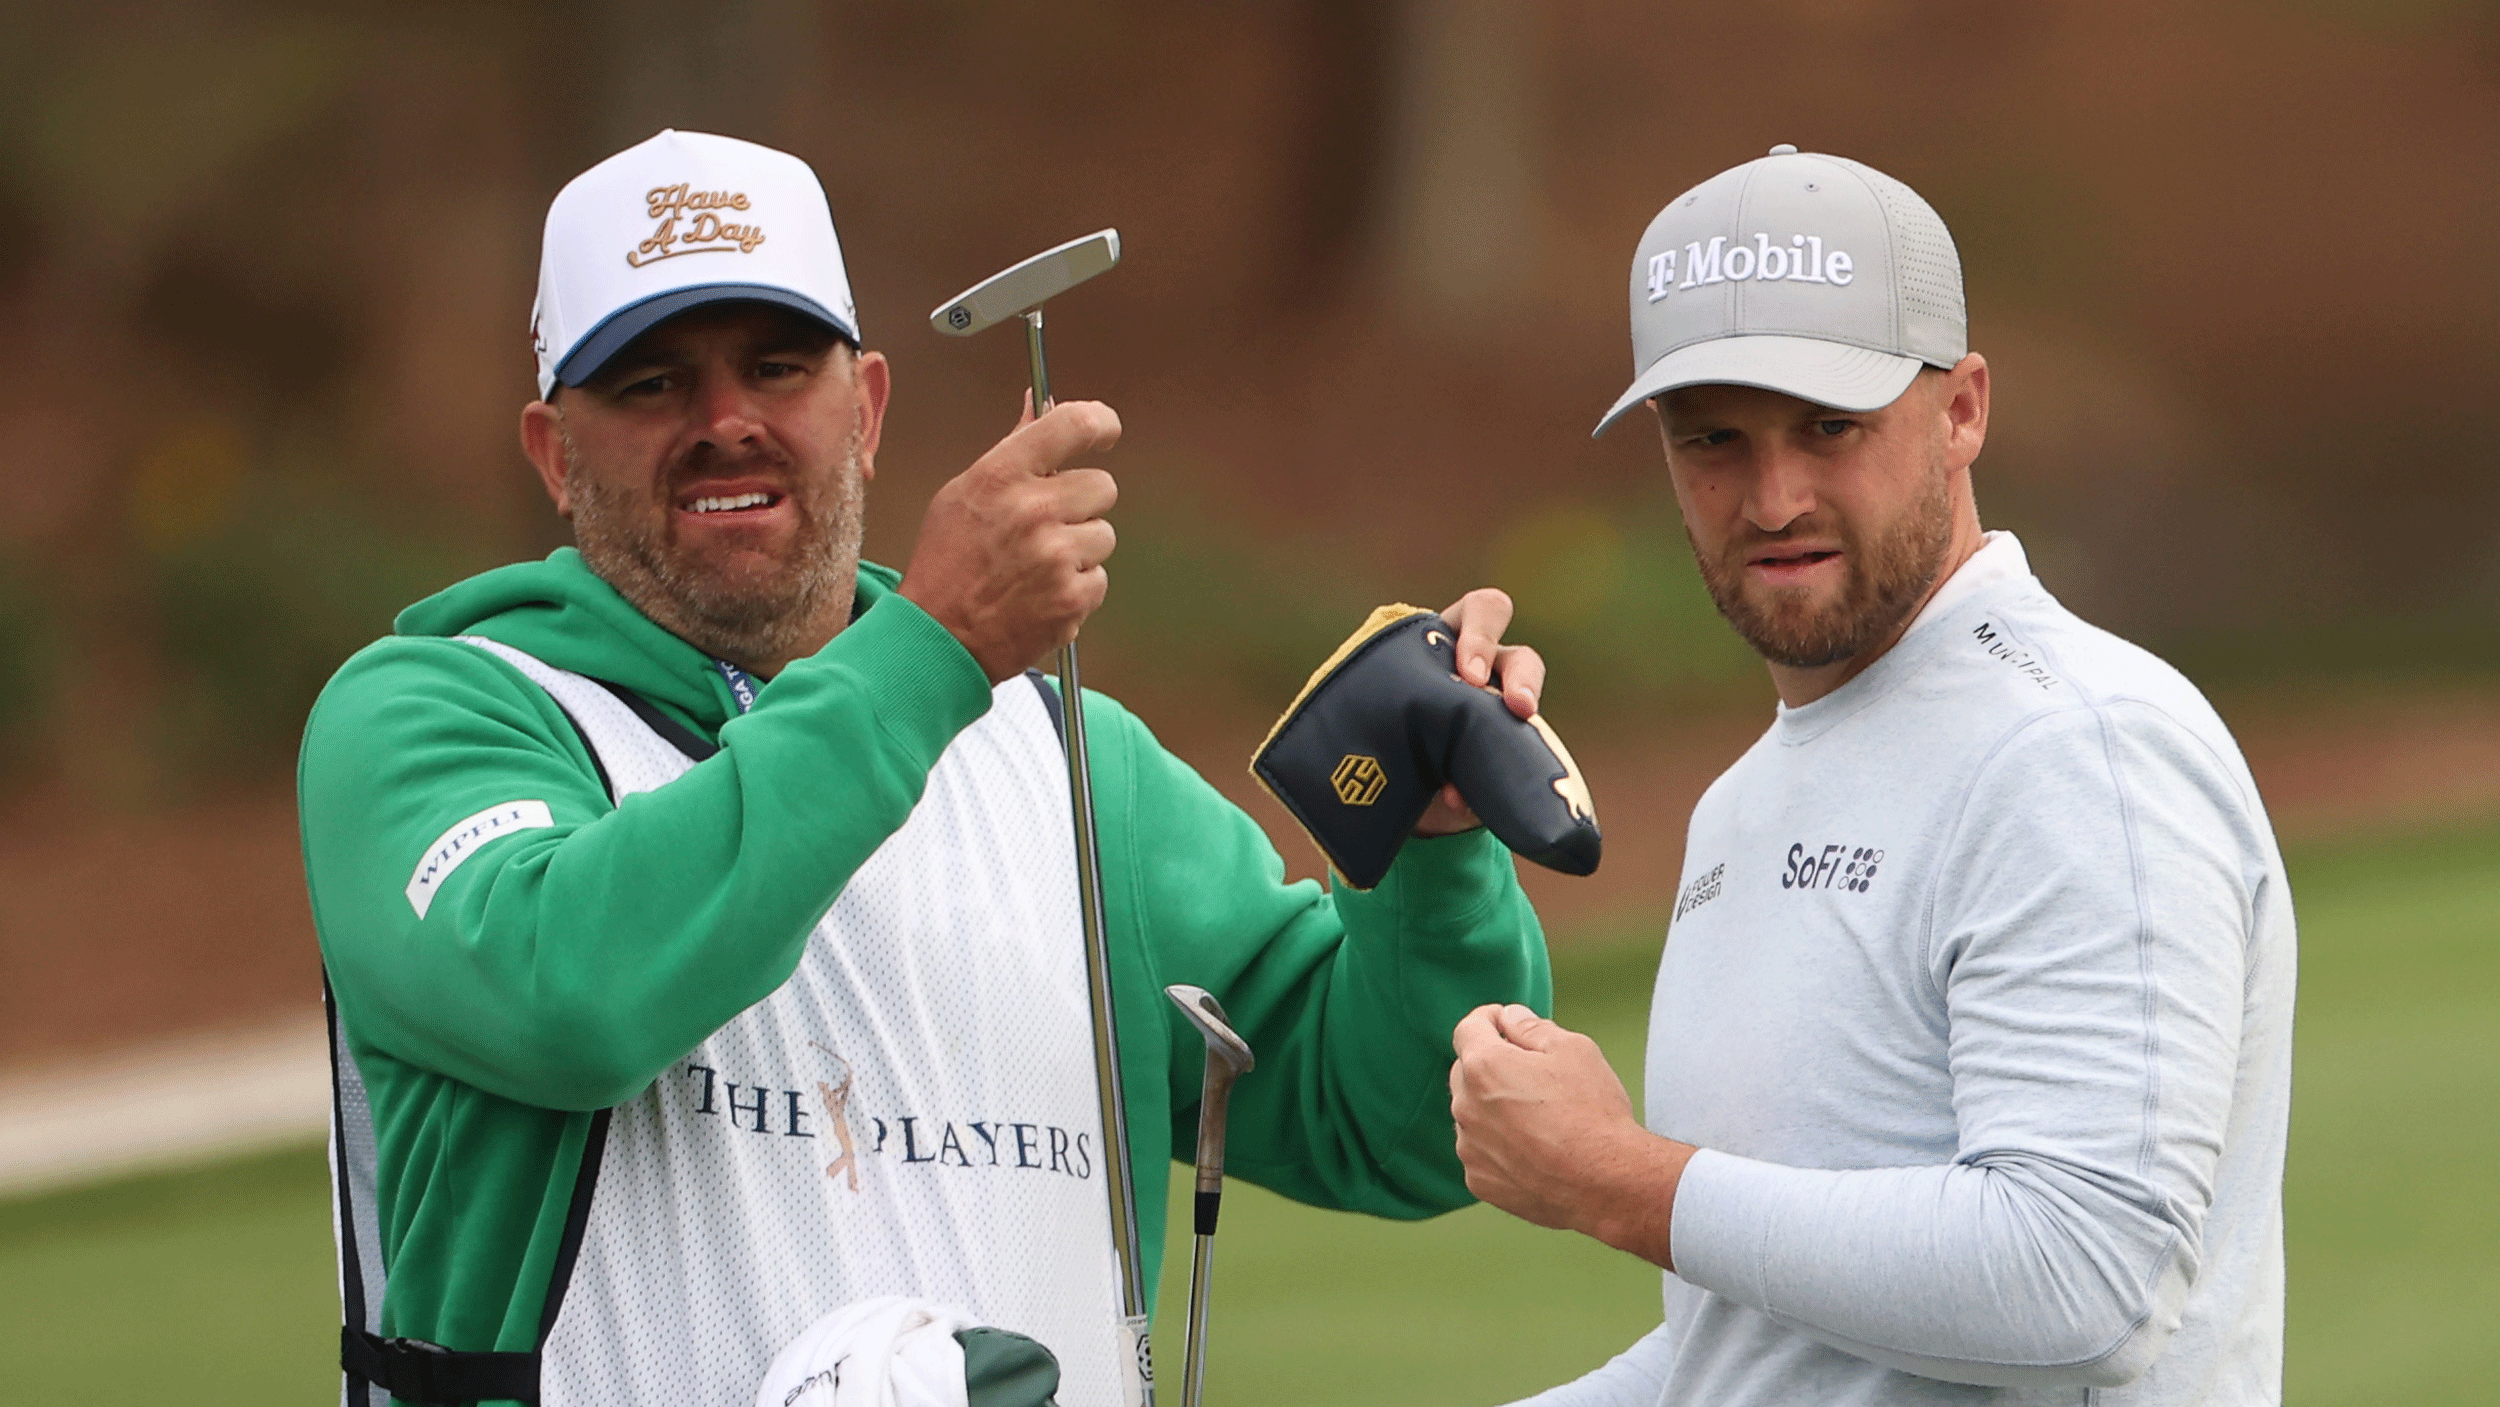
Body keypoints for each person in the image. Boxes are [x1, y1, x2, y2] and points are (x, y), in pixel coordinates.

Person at [301, 129, 1551, 1407]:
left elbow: (1401, 1128)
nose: (724, 423)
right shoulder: (435, 712)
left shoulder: (1067, 763)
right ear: (554, 453)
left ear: (870, 410)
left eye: (777, 367)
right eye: (648, 384)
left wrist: (1434, 852)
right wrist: (935, 648)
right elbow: (569, 993)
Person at [1449, 145, 2293, 1406]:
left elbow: (2083, 1286)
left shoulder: (2076, 745)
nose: (1772, 496)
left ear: (1961, 409)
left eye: (1829, 426)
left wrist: (1616, 1177)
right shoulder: (1743, 802)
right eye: (1713, 440)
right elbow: (1754, 1351)